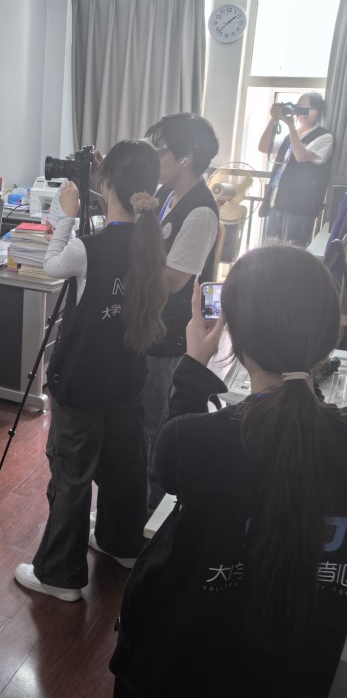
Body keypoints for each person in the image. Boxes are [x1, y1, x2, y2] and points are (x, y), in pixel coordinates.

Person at [110, 244, 347, 697]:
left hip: (182, 665)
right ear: (326, 333)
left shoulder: (195, 442)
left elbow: (168, 461)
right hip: (298, 673)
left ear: (233, 334)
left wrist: (192, 367)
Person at [14, 140, 168, 602]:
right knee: (125, 466)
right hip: (127, 379)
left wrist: (66, 215)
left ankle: (59, 576)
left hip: (83, 382)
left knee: (72, 474)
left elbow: (50, 267)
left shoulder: (88, 248)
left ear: (107, 185)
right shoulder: (152, 243)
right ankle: (122, 543)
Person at [141, 113, 220, 513]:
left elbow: (173, 280)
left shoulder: (201, 211)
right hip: (149, 324)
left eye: (162, 152)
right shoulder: (165, 193)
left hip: (169, 334)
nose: (156, 159)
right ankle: (130, 509)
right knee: (140, 420)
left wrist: (131, 259)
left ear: (186, 158)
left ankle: (144, 519)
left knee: (154, 425)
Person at [259, 93, 334, 246]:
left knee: (292, 253)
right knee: (270, 252)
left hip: (299, 207)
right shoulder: (289, 137)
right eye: (301, 107)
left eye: (310, 108)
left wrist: (291, 126)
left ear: (319, 112)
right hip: (276, 201)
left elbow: (301, 156)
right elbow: (263, 147)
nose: (304, 112)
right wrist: (274, 119)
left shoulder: (324, 137)